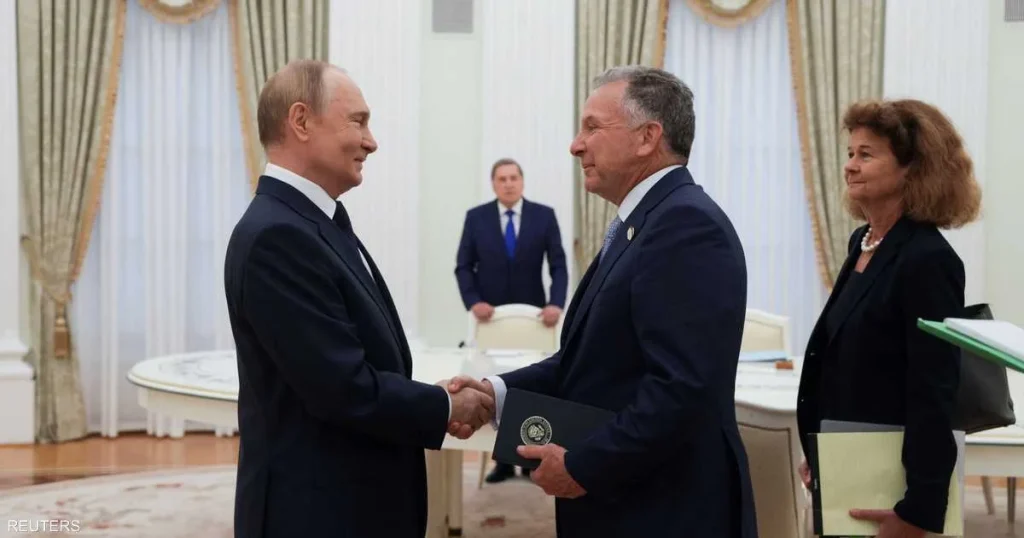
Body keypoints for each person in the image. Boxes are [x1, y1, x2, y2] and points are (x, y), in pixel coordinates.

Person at [448, 66, 758, 537]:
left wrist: (582, 466)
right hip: (635, 502)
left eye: (592, 127)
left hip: (666, 511)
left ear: (647, 137)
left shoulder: (686, 227)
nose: (576, 145)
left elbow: (680, 390)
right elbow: (587, 360)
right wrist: (495, 394)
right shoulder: (644, 223)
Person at [223, 60, 494, 538]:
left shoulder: (313, 222)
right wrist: (445, 406)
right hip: (316, 513)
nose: (371, 142)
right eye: (358, 121)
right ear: (301, 121)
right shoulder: (278, 237)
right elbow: (342, 389)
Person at [796, 99, 981, 537]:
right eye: (850, 153)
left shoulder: (928, 259)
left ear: (912, 169)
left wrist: (919, 510)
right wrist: (823, 447)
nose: (850, 166)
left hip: (894, 483)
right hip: (849, 460)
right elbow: (847, 362)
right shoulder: (863, 242)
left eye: (866, 154)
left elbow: (933, 389)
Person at [455, 157, 568, 482]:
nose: (508, 184)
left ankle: (529, 458)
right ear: (494, 184)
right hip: (491, 321)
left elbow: (558, 265)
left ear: (522, 181)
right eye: (502, 179)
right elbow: (463, 266)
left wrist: (556, 303)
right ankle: (502, 462)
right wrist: (473, 302)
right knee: (493, 385)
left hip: (535, 320)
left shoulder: (543, 216)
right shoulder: (476, 218)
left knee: (529, 385)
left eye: (513, 178)